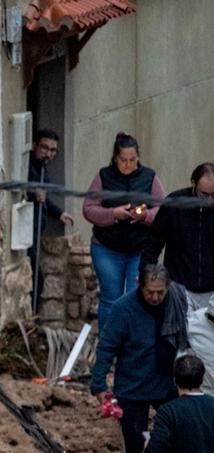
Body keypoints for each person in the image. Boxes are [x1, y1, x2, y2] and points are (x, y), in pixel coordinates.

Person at [90, 264, 184, 453]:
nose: (155, 297)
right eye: (150, 292)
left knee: (178, 436)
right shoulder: (123, 309)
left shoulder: (176, 301)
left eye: (160, 293)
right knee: (134, 441)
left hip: (167, 381)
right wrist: (98, 384)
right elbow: (107, 346)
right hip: (132, 385)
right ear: (140, 286)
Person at [82, 132, 167, 327]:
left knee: (134, 297)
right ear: (115, 158)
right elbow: (88, 209)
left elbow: (163, 208)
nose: (128, 164)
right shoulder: (103, 176)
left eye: (132, 160)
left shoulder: (149, 177)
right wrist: (113, 214)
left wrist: (145, 215)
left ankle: (130, 346)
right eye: (123, 160)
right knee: (111, 298)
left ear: (138, 157)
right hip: (106, 248)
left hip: (139, 249)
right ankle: (109, 346)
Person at [142, 162, 214, 311]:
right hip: (179, 287)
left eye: (213, 195)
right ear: (193, 183)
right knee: (179, 332)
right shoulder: (174, 204)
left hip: (211, 291)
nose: (208, 200)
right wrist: (145, 274)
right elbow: (153, 243)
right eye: (204, 194)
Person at [26, 128, 75, 312]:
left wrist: (59, 213)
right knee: (35, 281)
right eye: (44, 148)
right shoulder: (28, 166)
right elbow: (19, 192)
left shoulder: (42, 168)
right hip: (26, 234)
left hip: (36, 233)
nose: (48, 153)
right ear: (34, 145)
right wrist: (31, 193)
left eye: (53, 150)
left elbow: (43, 198)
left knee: (38, 281)